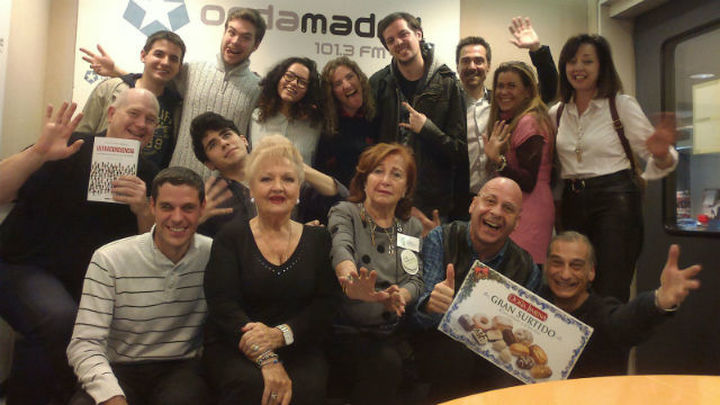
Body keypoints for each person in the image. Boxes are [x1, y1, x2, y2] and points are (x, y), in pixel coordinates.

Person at [0, 88, 160, 405]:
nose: (142, 124)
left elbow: (149, 249)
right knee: (60, 318)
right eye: (134, 114)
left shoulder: (149, 175)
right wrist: (38, 153)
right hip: (21, 266)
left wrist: (143, 209)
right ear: (111, 114)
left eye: (151, 119)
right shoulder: (69, 146)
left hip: (91, 284)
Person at [202, 136, 340, 405]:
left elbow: (326, 304)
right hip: (235, 344)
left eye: (288, 179)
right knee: (252, 385)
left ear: (299, 190)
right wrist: (265, 357)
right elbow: (223, 305)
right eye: (266, 179)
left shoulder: (319, 239)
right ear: (251, 188)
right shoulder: (230, 237)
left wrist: (280, 335)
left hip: (297, 343)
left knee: (307, 387)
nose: (278, 187)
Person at [67, 167, 212, 405]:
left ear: (202, 208)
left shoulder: (214, 255)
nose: (177, 218)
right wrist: (111, 396)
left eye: (188, 208)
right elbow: (85, 343)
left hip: (181, 368)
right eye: (167, 207)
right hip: (118, 367)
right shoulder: (109, 259)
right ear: (152, 206)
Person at [552, 34, 678, 301]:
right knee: (572, 283)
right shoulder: (558, 112)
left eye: (587, 61)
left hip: (615, 200)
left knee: (610, 286)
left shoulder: (620, 105)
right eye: (572, 61)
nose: (578, 68)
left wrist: (661, 153)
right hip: (572, 201)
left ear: (602, 66)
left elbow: (662, 158)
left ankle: (611, 330)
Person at [83, 8, 266, 178]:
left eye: (245, 37)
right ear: (224, 33)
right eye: (231, 32)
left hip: (226, 186)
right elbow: (153, 79)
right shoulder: (192, 70)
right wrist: (116, 70)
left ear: (256, 45)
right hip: (176, 179)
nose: (235, 41)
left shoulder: (259, 88)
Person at [411, 177, 541, 403]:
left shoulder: (527, 267)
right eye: (490, 201)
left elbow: (520, 337)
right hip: (436, 347)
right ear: (473, 205)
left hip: (493, 358)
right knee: (456, 355)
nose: (496, 212)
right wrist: (431, 305)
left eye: (507, 208)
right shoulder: (442, 238)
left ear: (517, 222)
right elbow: (416, 318)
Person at [327, 143, 424, 405]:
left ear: (406, 188)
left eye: (396, 174)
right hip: (345, 330)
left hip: (388, 332)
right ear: (364, 179)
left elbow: (414, 279)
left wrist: (401, 295)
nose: (385, 180)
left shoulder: (410, 227)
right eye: (378, 171)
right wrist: (351, 280)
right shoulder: (345, 212)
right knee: (385, 364)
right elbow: (341, 248)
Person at [543, 231, 701, 377]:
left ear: (591, 272)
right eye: (557, 263)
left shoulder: (603, 315)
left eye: (576, 266)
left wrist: (658, 300)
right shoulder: (534, 300)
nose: (565, 274)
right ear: (546, 266)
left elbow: (629, 319)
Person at [370, 12, 468, 221]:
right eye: (391, 40)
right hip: (387, 198)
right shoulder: (379, 83)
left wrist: (427, 129)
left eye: (403, 34)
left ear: (418, 34)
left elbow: (459, 151)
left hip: (431, 204)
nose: (398, 42)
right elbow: (370, 144)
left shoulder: (448, 83)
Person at [190, 114, 347, 236]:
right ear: (209, 164)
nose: (224, 143)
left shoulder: (280, 173)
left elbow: (342, 199)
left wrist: (299, 166)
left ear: (244, 140)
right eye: (213, 145)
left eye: (226, 135)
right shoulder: (212, 198)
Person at [458, 16, 558, 194]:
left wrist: (536, 50)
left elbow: (549, 89)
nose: (472, 66)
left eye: (479, 60)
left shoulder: (504, 106)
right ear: (457, 66)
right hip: (460, 198)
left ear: (488, 66)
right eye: (465, 61)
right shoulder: (449, 107)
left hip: (500, 195)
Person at [79, 30, 185, 168]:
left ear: (179, 67)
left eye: (173, 59)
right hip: (99, 172)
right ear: (143, 56)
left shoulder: (177, 106)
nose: (165, 62)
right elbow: (83, 133)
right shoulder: (110, 89)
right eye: (159, 54)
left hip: (149, 178)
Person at [483, 61, 555, 265]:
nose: (503, 92)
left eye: (511, 86)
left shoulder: (529, 122)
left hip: (529, 213)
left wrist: (498, 160)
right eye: (500, 86)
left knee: (520, 276)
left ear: (528, 91)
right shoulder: (510, 121)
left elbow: (528, 180)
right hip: (515, 209)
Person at [315, 56, 378, 187]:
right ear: (332, 93)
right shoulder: (323, 125)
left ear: (360, 79)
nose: (347, 85)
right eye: (338, 84)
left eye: (350, 77)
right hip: (335, 195)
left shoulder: (376, 116)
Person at [250, 57, 323, 166]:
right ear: (278, 77)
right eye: (289, 76)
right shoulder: (257, 116)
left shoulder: (314, 125)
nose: (294, 83)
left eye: (302, 82)